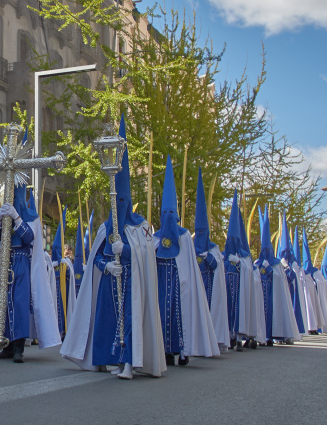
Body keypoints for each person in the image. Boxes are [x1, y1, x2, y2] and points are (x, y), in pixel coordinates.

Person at [61, 116, 165, 380]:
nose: (119, 204)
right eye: (115, 200)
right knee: (108, 321)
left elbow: (147, 255)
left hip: (132, 284)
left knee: (130, 322)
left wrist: (127, 251)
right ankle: (111, 359)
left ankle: (130, 363)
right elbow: (96, 257)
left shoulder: (141, 227)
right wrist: (106, 265)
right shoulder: (105, 228)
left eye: (123, 200)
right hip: (110, 281)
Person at [0, 183, 61, 363]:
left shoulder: (32, 217)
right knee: (2, 304)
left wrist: (16, 217)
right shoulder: (3, 214)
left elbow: (29, 238)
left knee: (19, 304)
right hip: (3, 262)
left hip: (21, 261)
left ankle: (19, 348)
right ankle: (6, 345)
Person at [152, 156, 218, 366]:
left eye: (172, 213)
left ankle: (183, 349)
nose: (169, 216)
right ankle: (164, 351)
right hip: (161, 282)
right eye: (166, 213)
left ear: (177, 215)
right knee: (161, 315)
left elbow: (189, 265)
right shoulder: (155, 238)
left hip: (181, 285)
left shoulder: (184, 236)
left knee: (180, 316)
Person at [222, 191, 265, 351]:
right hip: (227, 290)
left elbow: (249, 272)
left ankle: (240, 337)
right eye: (229, 240)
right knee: (227, 312)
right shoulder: (224, 255)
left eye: (234, 240)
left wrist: (239, 263)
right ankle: (230, 337)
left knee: (239, 313)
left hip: (240, 293)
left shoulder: (245, 257)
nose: (231, 243)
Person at [193, 169, 230, 352]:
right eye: (197, 232)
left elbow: (216, 266)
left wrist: (206, 256)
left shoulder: (214, 248)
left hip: (209, 288)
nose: (199, 236)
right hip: (196, 288)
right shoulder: (189, 245)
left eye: (202, 232)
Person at [256, 206, 299, 345]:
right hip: (260, 294)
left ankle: (273, 336)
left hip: (272, 297)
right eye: (264, 249)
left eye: (268, 249)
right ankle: (261, 336)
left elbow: (281, 279)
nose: (265, 252)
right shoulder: (258, 262)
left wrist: (270, 270)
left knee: (272, 315)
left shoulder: (277, 264)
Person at [51, 208, 76, 338]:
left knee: (64, 310)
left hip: (64, 290)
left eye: (68, 250)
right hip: (54, 290)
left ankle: (65, 330)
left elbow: (71, 275)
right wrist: (54, 265)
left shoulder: (68, 263)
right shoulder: (53, 261)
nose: (67, 252)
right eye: (65, 250)